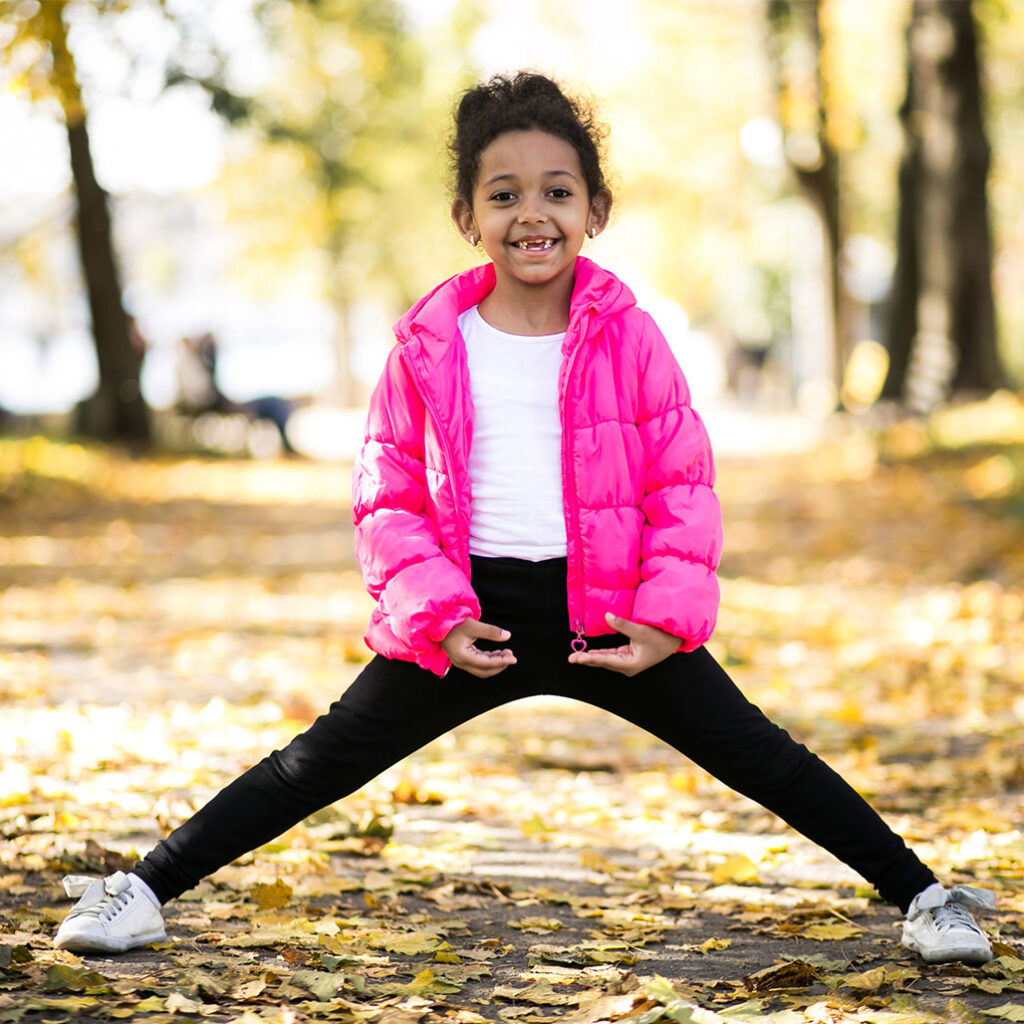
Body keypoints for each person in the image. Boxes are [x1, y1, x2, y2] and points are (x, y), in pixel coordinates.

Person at [54, 71, 993, 965]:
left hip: (609, 617)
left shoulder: (631, 335)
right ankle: (142, 889)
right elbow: (388, 494)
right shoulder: (429, 344)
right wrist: (437, 617)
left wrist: (664, 622)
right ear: (468, 218)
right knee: (318, 760)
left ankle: (924, 897)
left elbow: (681, 484)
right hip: (473, 618)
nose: (531, 214)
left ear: (595, 210)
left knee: (762, 755)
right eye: (503, 196)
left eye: (557, 192)